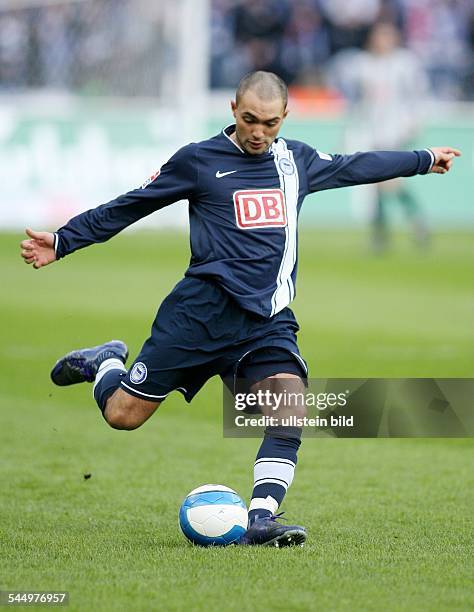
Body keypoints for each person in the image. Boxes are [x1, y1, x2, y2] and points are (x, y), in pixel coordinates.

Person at [20, 71, 460, 547]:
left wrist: (423, 159)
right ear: (233, 109)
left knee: (289, 407)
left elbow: (356, 165)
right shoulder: (198, 160)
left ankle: (262, 519)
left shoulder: (297, 162)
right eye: (249, 119)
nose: (258, 132)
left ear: (284, 117)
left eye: (269, 123)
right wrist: (64, 240)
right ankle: (105, 361)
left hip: (265, 323)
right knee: (123, 415)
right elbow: (133, 205)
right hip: (197, 317)